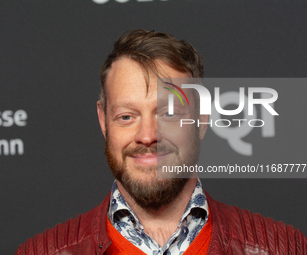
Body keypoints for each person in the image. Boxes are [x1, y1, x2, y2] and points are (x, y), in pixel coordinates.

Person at [15, 29, 307, 255]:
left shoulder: (285, 248)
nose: (147, 136)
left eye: (168, 113)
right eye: (127, 116)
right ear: (104, 121)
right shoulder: (43, 252)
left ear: (202, 119)